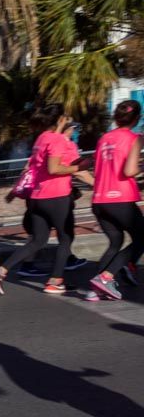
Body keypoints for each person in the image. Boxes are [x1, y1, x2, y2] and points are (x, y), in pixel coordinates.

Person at [0, 103, 93, 295]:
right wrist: (80, 170)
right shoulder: (57, 140)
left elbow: (35, 167)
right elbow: (54, 169)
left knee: (37, 240)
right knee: (66, 238)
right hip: (56, 196)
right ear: (61, 120)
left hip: (37, 197)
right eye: (67, 118)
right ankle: (55, 281)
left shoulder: (41, 139)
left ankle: (0, 270)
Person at [87, 100, 143, 301]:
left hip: (99, 200)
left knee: (115, 241)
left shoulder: (104, 138)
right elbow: (129, 170)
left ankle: (95, 289)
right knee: (141, 238)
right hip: (121, 198)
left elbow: (97, 163)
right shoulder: (135, 138)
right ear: (137, 119)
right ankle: (107, 277)